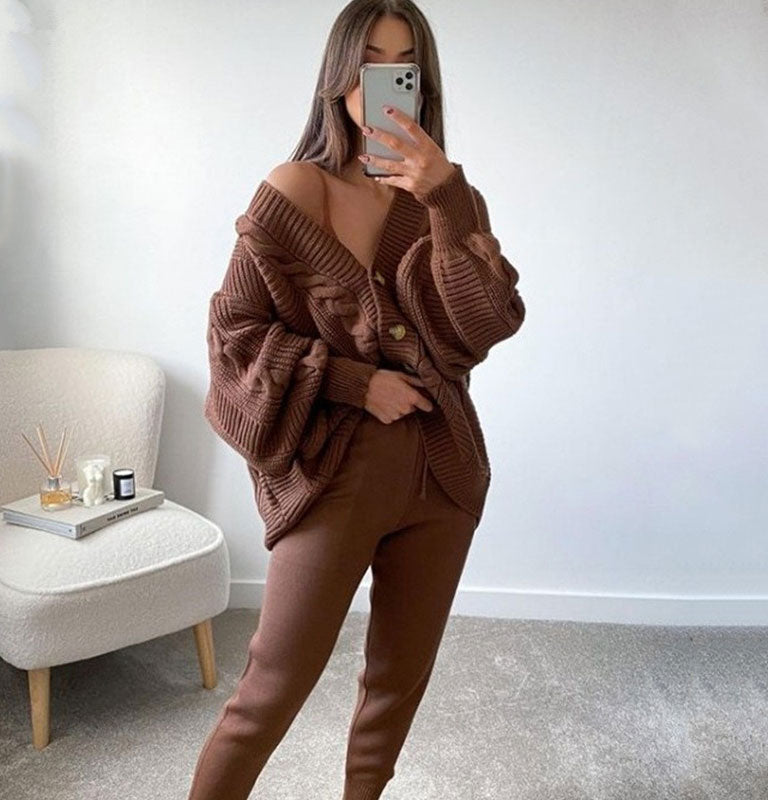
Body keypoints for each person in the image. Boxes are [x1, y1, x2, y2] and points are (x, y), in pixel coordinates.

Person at [187, 2, 526, 798]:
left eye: (405, 65)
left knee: (395, 689)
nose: (386, 81)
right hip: (338, 470)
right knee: (268, 691)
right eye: (370, 61)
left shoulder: (450, 199)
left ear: (424, 83)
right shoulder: (293, 189)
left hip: (443, 472)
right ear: (339, 75)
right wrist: (353, 382)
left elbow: (488, 322)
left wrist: (446, 201)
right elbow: (233, 335)